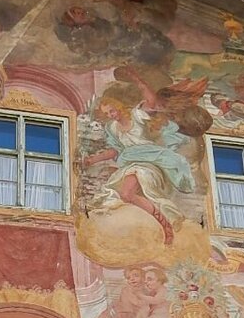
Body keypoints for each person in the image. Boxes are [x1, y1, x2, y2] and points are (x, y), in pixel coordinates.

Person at [83, 91, 195, 245]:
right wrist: (92, 160)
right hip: (131, 162)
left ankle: (165, 225)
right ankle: (152, 229)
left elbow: (152, 102)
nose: (111, 115)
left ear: (119, 106)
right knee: (123, 197)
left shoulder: (136, 115)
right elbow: (115, 150)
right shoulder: (113, 128)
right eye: (107, 113)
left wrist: (139, 81)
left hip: (150, 161)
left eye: (112, 110)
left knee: (126, 194)